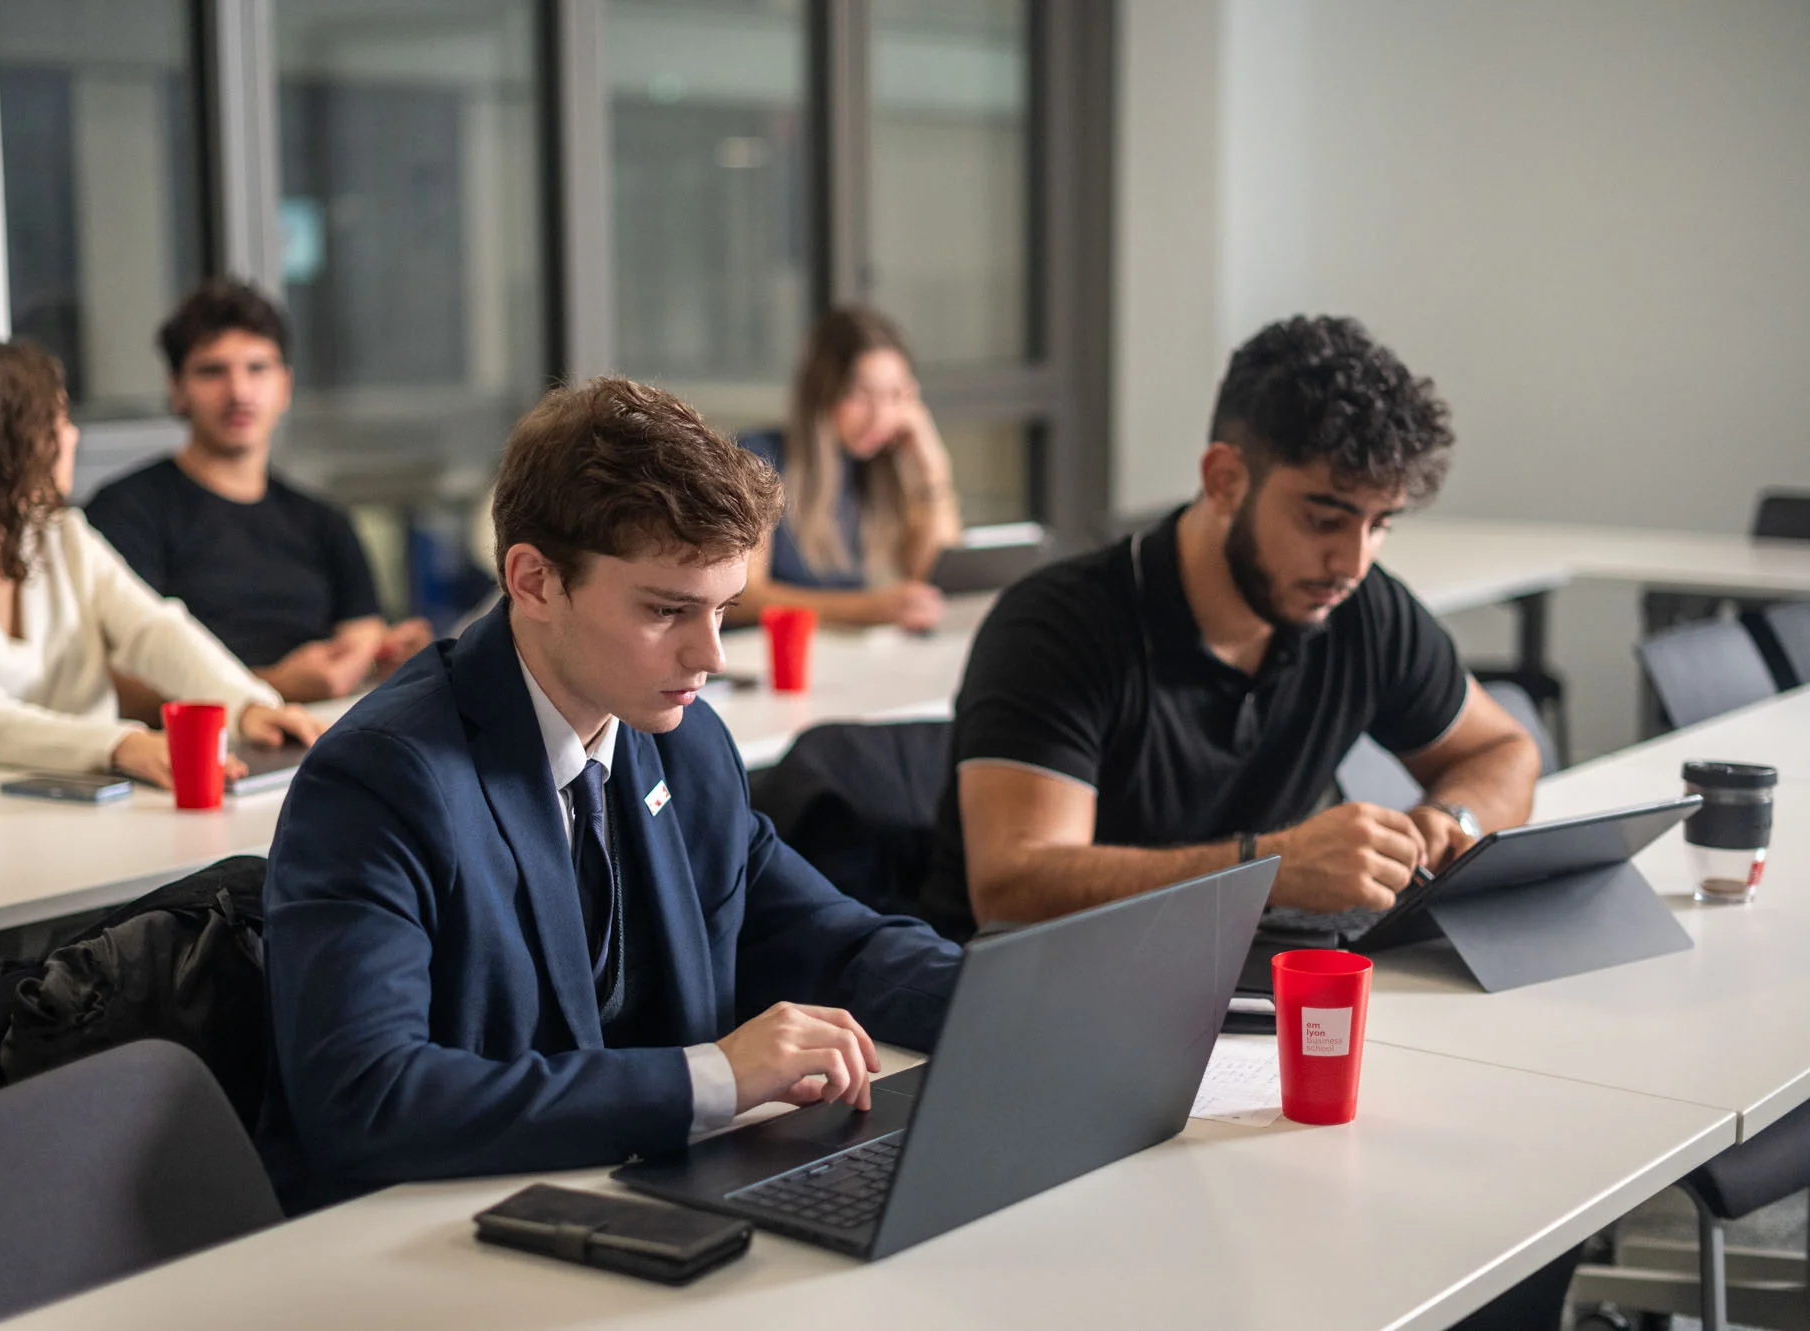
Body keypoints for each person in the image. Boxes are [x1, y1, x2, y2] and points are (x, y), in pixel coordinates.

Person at [257, 376, 964, 1212]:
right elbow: (368, 1096)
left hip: (636, 1200)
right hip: (435, 1241)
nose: (713, 656)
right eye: (669, 610)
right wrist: (715, 1077)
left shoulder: (685, 740)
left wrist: (1022, 1008)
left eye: (723, 609)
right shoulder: (382, 778)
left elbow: (834, 942)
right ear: (533, 581)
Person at [918, 315, 1542, 943]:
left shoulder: (1360, 607)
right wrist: (1269, 869)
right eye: (1324, 518)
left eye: (1380, 525)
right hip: (1027, 994)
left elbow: (1504, 752)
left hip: (1232, 977)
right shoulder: (1057, 627)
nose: (1353, 563)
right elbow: (1013, 887)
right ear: (1224, 480)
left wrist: (1451, 819)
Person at [0, 338, 324, 785]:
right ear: (0, 445)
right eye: (56, 420)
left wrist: (246, 705)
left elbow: (152, 630)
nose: (72, 435)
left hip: (83, 808)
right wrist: (123, 744)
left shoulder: (61, 536)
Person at [84, 279, 434, 704]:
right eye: (212, 371)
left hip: (327, 734)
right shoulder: (126, 511)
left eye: (257, 368)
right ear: (177, 391)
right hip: (198, 751)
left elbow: (361, 634)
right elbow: (113, 683)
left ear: (285, 386)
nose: (239, 392)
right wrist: (271, 687)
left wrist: (387, 659)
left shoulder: (324, 521)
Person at [734, 306, 962, 631]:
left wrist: (934, 467)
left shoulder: (873, 466)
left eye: (895, 395)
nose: (880, 417)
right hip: (764, 658)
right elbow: (742, 597)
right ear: (822, 393)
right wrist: (869, 608)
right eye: (861, 394)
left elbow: (930, 572)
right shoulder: (758, 460)